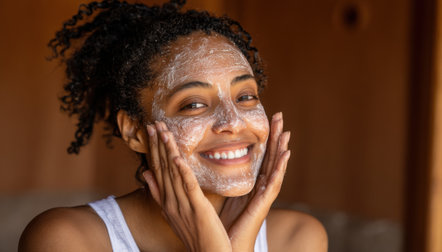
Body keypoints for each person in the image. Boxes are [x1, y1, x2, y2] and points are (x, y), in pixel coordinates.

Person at [19, 0, 328, 251]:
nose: (233, 121)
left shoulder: (297, 239)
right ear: (134, 131)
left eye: (245, 96)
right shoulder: (66, 239)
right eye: (193, 104)